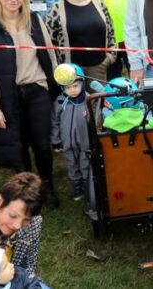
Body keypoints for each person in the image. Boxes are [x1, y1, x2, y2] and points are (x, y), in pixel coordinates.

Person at [0, 0, 60, 208]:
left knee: (42, 143)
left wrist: (54, 83)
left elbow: (50, 53)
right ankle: (26, 191)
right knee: (18, 145)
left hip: (37, 89)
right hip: (7, 95)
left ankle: (47, 186)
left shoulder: (34, 20)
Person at [46, 0, 115, 81]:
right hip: (70, 71)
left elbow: (111, 33)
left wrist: (109, 58)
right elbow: (50, 41)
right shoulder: (56, 9)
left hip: (99, 68)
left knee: (98, 93)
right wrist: (59, 66)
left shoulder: (99, 3)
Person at [50, 63, 90, 201]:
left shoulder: (89, 100)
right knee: (71, 164)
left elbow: (95, 121)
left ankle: (87, 184)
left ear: (82, 84)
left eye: (75, 86)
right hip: (67, 144)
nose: (72, 90)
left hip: (85, 142)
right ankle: (76, 185)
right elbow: (54, 122)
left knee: (85, 163)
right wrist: (56, 141)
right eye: (68, 87)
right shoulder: (60, 102)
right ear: (62, 87)